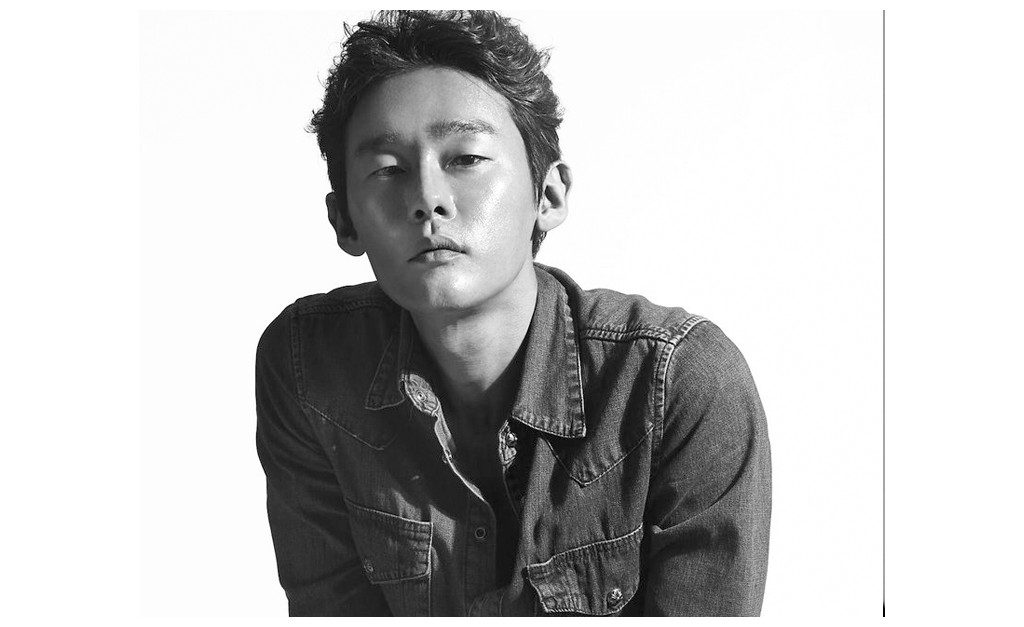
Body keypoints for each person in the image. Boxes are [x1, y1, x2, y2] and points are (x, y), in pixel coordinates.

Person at [255, 10, 771, 616]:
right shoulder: (309, 369)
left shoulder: (678, 384)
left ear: (547, 195)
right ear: (344, 220)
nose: (427, 199)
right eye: (388, 169)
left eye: (465, 158)